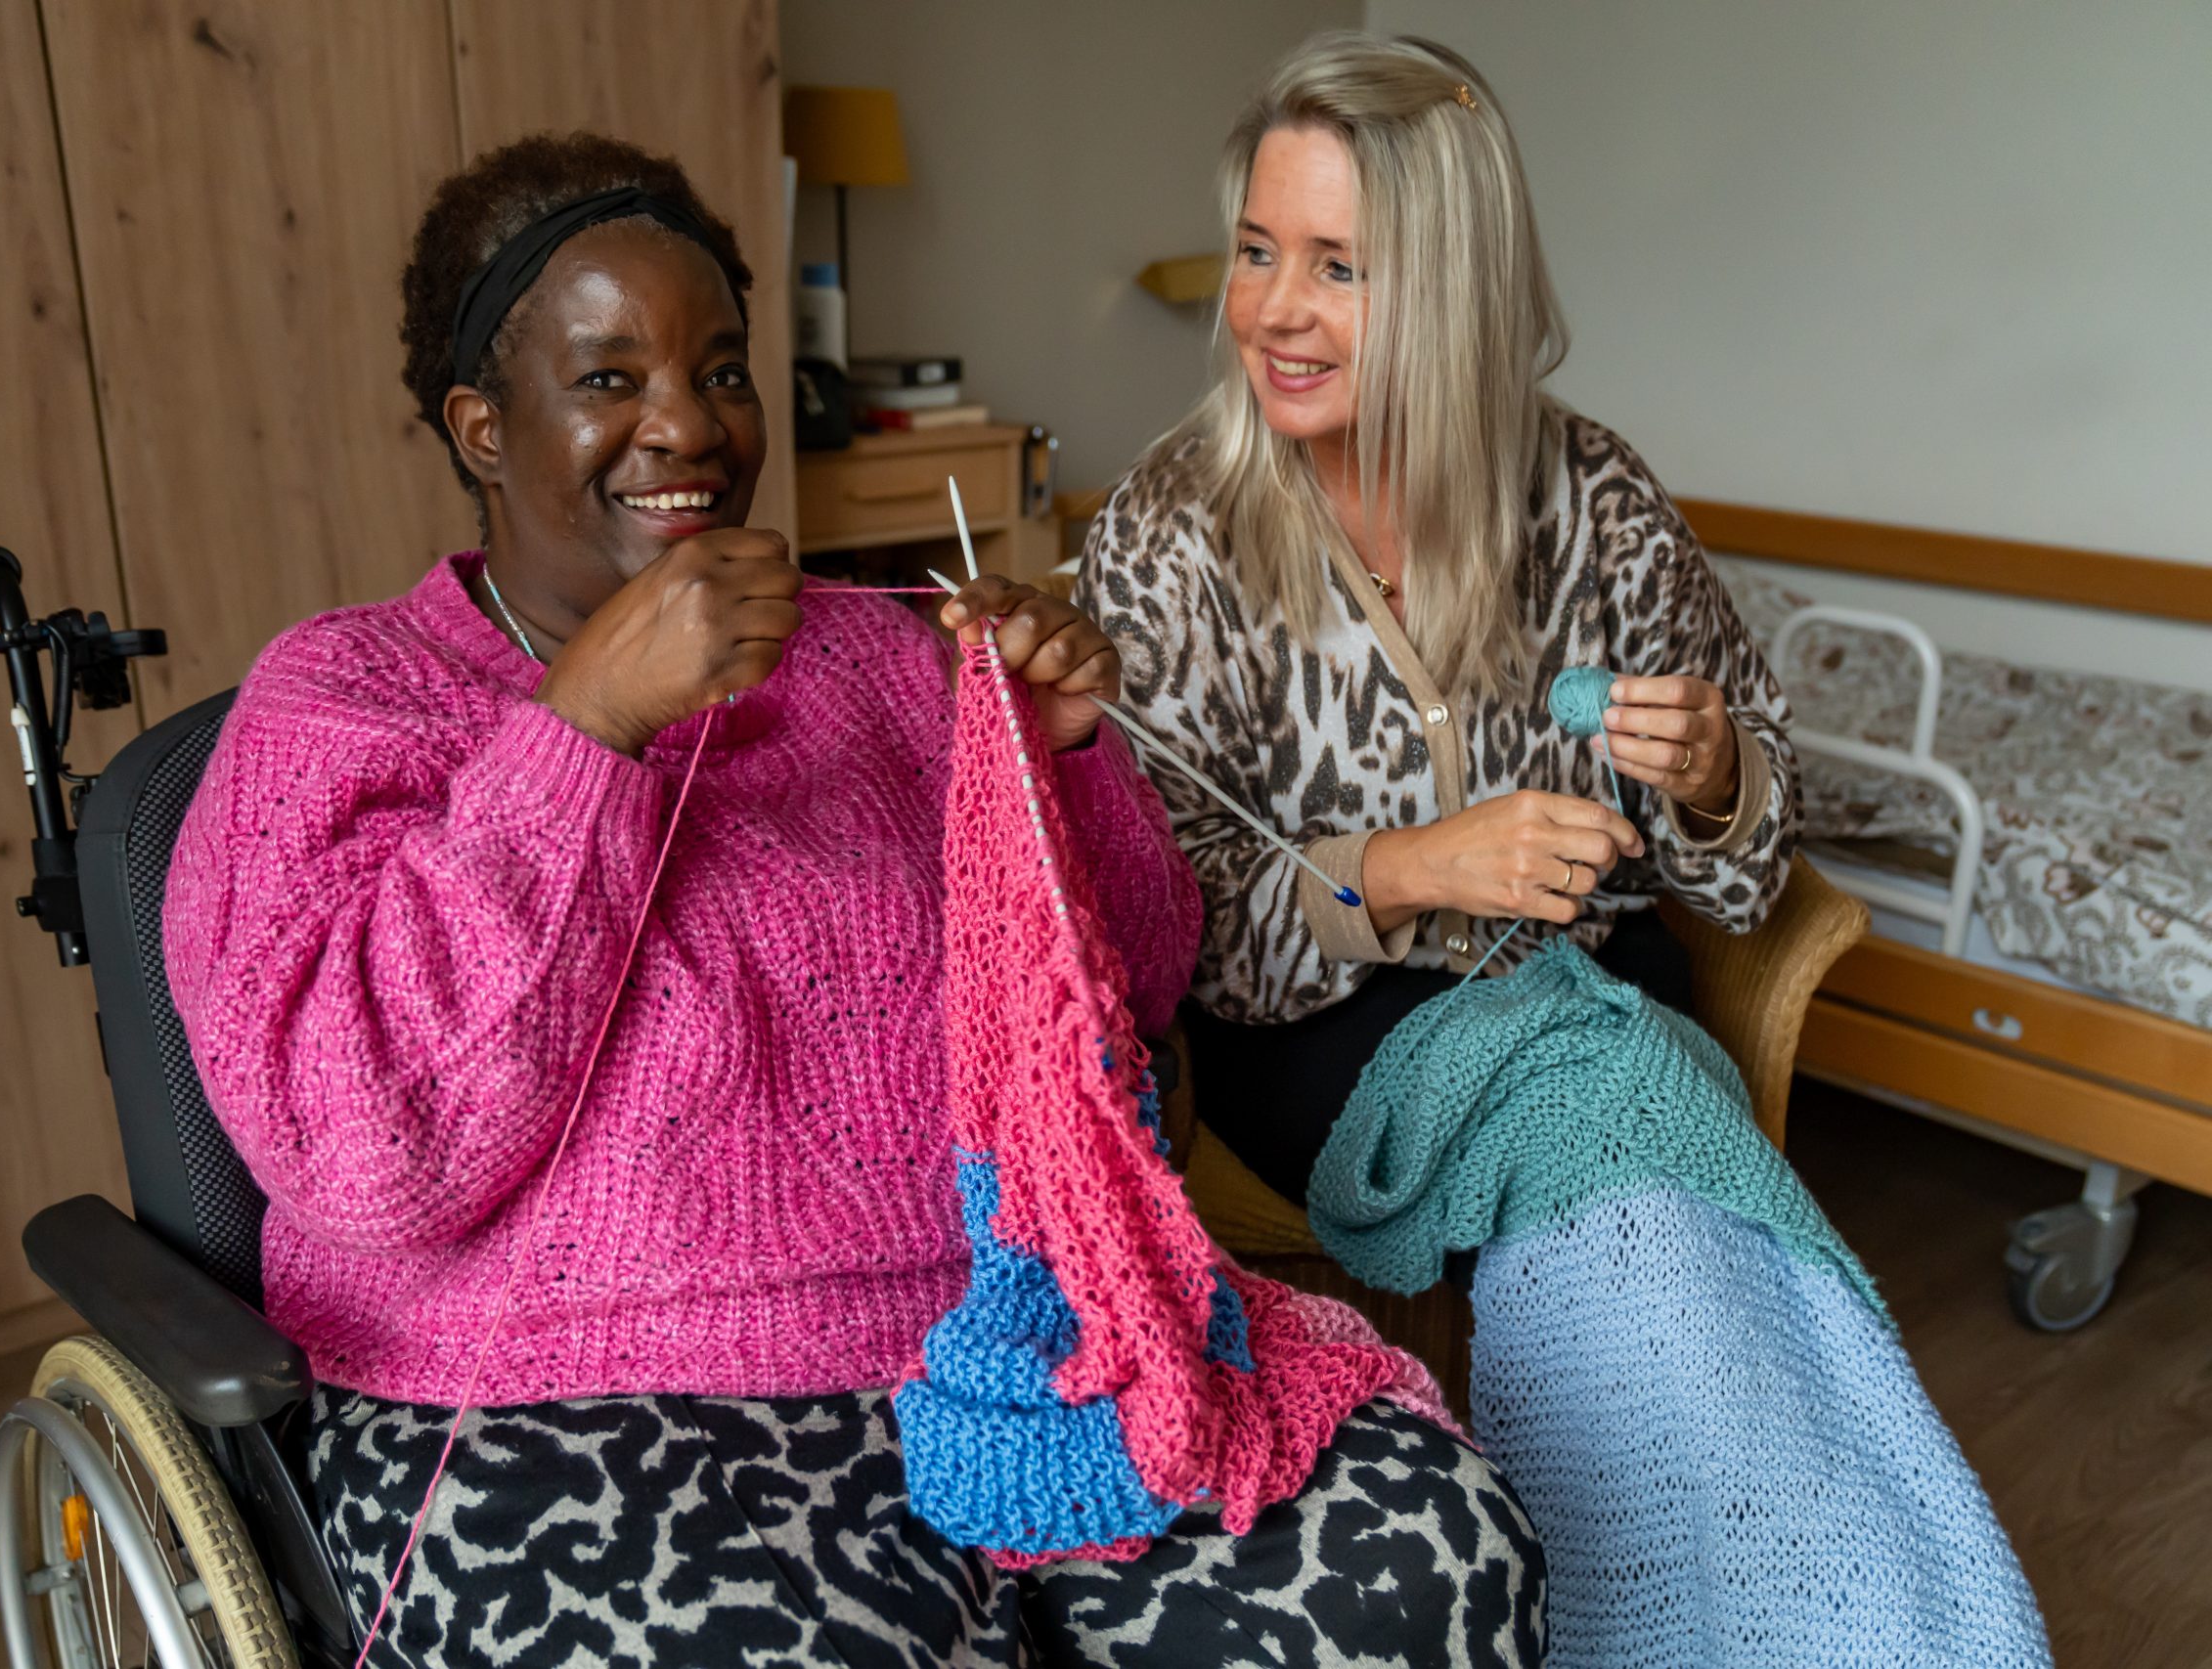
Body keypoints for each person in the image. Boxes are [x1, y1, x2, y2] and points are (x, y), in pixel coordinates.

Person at [165, 132, 1543, 1667]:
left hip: (1000, 1340)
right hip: (561, 1402)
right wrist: (586, 729)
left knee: (1429, 1555)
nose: (687, 424)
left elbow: (1132, 997)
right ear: (485, 427)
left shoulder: (886, 660)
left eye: (723, 371)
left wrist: (1070, 761)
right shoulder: (344, 699)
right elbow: (366, 1149)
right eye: (609, 380)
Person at [1079, 34, 1802, 1207]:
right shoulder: (1170, 533)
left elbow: (1746, 885)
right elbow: (1175, 941)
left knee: (1668, 1211)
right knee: (1638, 1208)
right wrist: (1412, 868)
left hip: (1594, 997)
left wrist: (1715, 777)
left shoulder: (1595, 498)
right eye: (1257, 253)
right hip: (1327, 1038)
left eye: (1338, 269)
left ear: (1451, 286)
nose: (1271, 313)